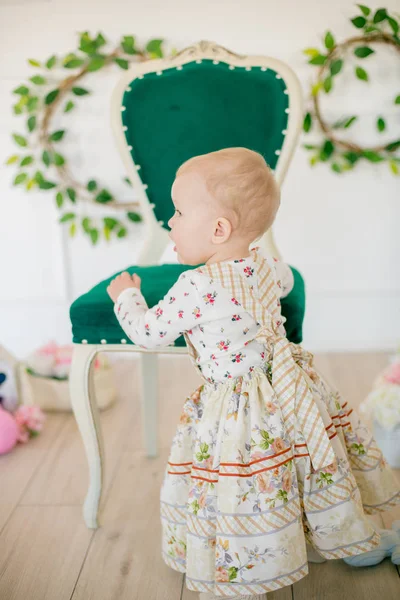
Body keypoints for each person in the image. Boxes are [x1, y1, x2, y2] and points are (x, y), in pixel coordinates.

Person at [107, 148, 400, 599]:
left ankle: (250, 568)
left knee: (248, 483)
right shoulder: (265, 266)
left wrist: (127, 297)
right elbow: (283, 283)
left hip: (240, 410)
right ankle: (351, 540)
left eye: (180, 212)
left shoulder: (195, 286)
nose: (170, 222)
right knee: (308, 469)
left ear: (218, 229)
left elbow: (148, 333)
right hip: (292, 388)